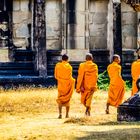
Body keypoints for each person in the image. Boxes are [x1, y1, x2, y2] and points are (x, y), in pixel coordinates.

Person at [54, 54, 75, 119]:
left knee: (60, 99)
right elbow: (70, 77)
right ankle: (67, 114)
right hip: (67, 85)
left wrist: (61, 79)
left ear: (61, 59)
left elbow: (56, 76)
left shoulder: (58, 65)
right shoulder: (69, 67)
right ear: (67, 59)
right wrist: (73, 81)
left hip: (61, 85)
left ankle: (60, 114)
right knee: (67, 99)